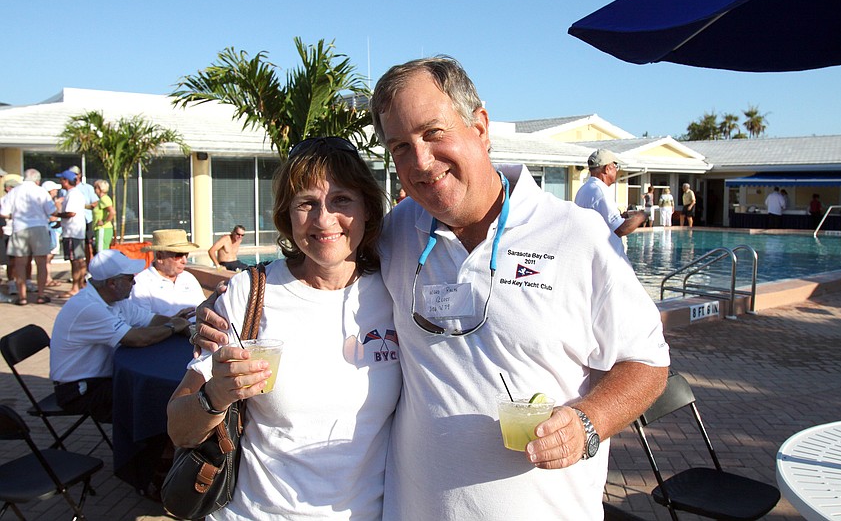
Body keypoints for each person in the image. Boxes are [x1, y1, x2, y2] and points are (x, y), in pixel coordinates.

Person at [196, 57, 669, 520]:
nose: (421, 160)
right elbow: (322, 258)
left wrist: (588, 423)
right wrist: (217, 306)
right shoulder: (400, 231)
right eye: (400, 145)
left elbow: (647, 362)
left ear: (480, 126)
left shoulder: (576, 235)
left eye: (432, 132)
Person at [168, 137, 400, 520]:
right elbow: (179, 429)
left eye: (341, 200)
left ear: (367, 209)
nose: (323, 219)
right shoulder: (249, 293)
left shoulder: (397, 288)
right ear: (287, 216)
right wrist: (217, 394)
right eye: (306, 203)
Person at [49, 249, 191, 422]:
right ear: (112, 283)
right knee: (154, 401)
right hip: (79, 390)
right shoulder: (88, 307)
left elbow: (150, 319)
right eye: (130, 278)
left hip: (99, 380)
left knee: (152, 394)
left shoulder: (115, 299)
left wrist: (175, 321)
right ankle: (150, 447)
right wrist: (173, 326)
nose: (134, 283)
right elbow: (136, 338)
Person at [575, 148, 647, 260]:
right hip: (603, 259)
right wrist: (641, 216)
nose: (617, 171)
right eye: (615, 166)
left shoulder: (585, 189)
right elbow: (620, 229)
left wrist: (622, 216)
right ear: (607, 169)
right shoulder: (600, 191)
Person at [0, 169, 55, 304]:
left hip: (20, 228)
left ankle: (22, 296)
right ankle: (41, 295)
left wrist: (14, 216)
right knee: (41, 263)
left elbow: (4, 212)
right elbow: (51, 210)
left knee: (20, 264)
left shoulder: (14, 191)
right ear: (37, 179)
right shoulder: (41, 191)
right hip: (39, 227)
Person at [129, 229, 205, 320]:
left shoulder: (188, 278)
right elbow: (142, 323)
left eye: (186, 254)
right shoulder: (141, 283)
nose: (184, 261)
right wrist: (174, 323)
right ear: (160, 257)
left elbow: (203, 307)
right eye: (178, 255)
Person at [56, 169, 88, 297]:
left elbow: (71, 213)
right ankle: (80, 285)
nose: (60, 182)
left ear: (66, 181)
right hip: (77, 231)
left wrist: (56, 214)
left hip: (71, 232)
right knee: (80, 260)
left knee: (75, 260)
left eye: (61, 179)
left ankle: (75, 287)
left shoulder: (72, 194)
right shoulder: (77, 193)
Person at [69, 165, 98, 264]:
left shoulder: (87, 188)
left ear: (80, 175)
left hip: (87, 220)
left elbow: (95, 203)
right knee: (74, 248)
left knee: (88, 245)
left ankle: (89, 269)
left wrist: (82, 206)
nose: (73, 176)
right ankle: (78, 271)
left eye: (75, 174)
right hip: (72, 223)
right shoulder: (66, 189)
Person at [41, 180, 64, 287]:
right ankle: (46, 278)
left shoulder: (51, 201)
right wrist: (59, 208)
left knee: (50, 256)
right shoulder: (47, 202)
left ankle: (48, 278)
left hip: (54, 231)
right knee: (48, 256)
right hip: (50, 231)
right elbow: (51, 216)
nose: (56, 191)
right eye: (54, 189)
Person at [92, 179, 115, 253]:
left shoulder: (104, 199)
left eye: (95, 188)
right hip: (100, 229)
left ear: (100, 189)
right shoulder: (101, 200)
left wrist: (104, 222)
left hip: (103, 229)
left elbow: (112, 212)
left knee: (101, 253)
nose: (94, 190)